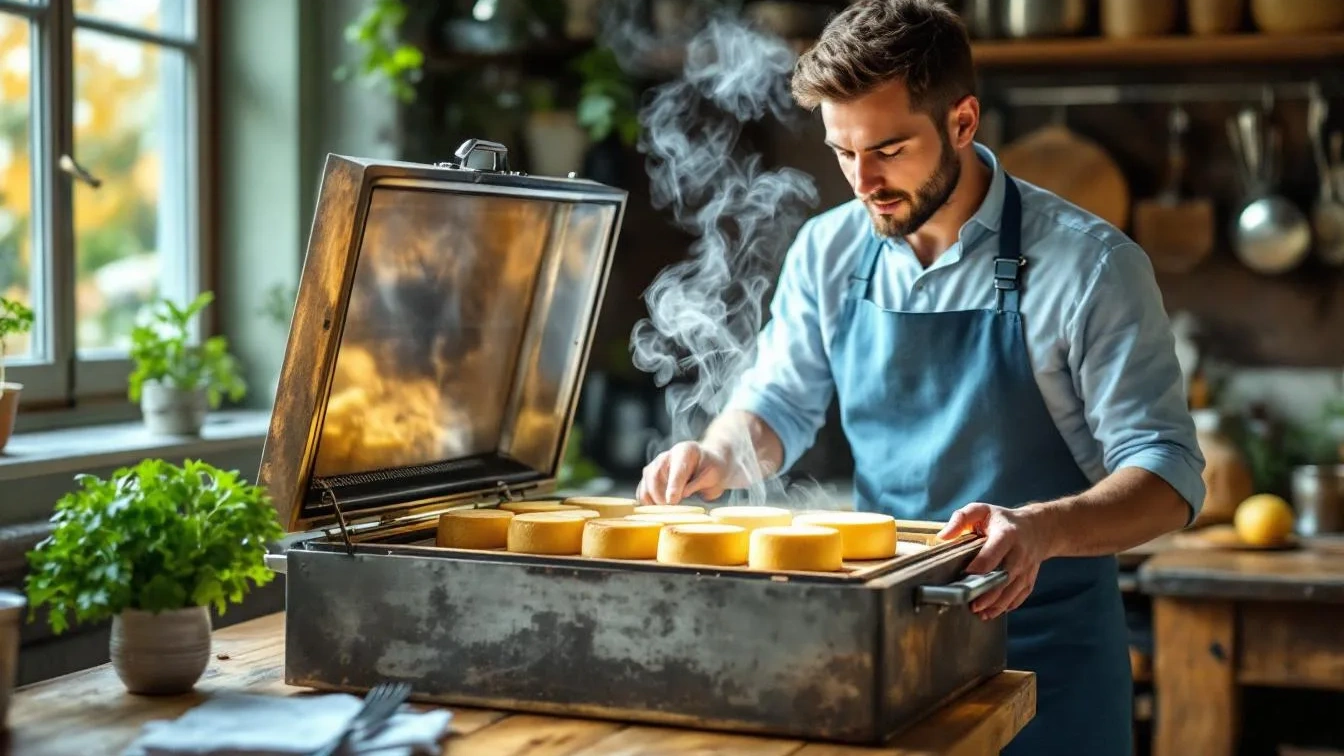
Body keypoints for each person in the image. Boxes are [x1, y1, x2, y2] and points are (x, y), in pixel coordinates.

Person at [634, 1, 1206, 754]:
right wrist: (716, 454)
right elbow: (774, 406)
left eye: (890, 149)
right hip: (891, 661)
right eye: (843, 152)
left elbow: (1168, 475)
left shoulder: (1089, 267)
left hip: (1047, 666)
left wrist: (1040, 529)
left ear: (963, 122)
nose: (863, 181)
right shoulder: (828, 252)